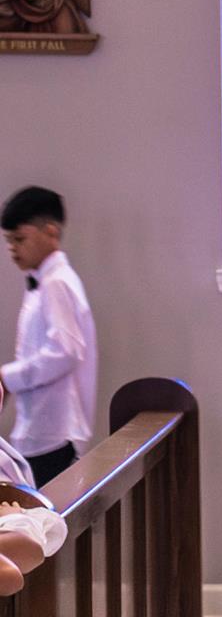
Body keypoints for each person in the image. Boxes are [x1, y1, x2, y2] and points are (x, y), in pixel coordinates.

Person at [2, 186, 94, 488]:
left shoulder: (57, 283)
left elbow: (65, 351)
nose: (13, 249)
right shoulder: (44, 283)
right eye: (8, 241)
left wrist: (7, 378)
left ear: (50, 232)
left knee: (44, 527)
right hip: (40, 431)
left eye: (20, 239)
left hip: (52, 433)